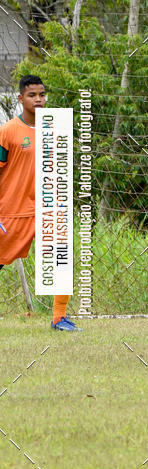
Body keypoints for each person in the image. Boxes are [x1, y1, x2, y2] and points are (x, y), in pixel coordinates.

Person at [0, 75, 80, 331]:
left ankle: (59, 318)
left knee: (61, 260)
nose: (38, 99)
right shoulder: (8, 131)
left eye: (42, 94)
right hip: (12, 211)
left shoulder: (56, 129)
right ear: (20, 98)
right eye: (32, 95)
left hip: (48, 210)